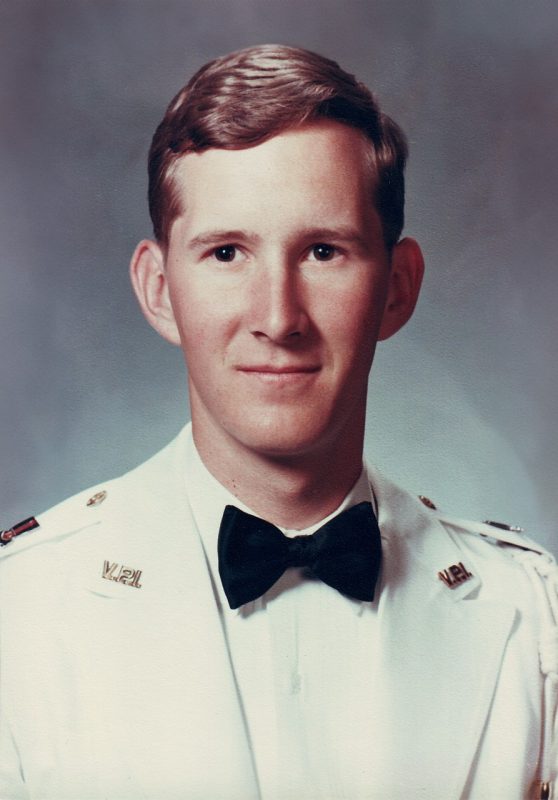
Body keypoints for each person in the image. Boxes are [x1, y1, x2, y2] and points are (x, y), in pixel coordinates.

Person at [0, 44, 556, 800]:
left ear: (397, 289)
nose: (277, 317)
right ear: (160, 290)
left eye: (323, 251)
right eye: (227, 252)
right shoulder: (20, 617)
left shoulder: (533, 620)